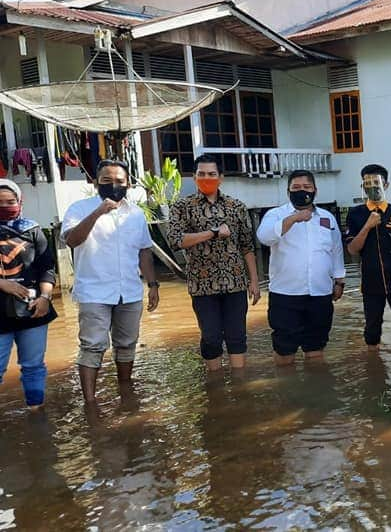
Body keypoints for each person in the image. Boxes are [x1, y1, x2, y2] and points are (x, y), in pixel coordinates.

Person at [61, 159, 159, 404]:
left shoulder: (136, 214)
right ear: (95, 183)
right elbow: (72, 240)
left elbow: (144, 251)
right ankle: (90, 403)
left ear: (128, 184)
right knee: (92, 346)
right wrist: (98, 212)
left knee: (127, 344)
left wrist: (153, 284)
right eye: (107, 181)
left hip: (129, 291)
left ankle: (126, 391)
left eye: (119, 182)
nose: (113, 186)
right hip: (94, 292)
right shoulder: (78, 208)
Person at [168, 154, 260, 372]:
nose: (206, 178)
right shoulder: (183, 207)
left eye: (211, 174)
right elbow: (175, 240)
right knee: (210, 338)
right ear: (194, 176)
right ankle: (215, 386)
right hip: (202, 286)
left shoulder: (236, 206)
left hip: (236, 284)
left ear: (221, 177)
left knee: (237, 336)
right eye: (201, 174)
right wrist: (212, 233)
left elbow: (247, 246)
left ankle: (239, 388)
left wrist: (254, 281)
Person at [257, 170, 345, 365]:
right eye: (296, 188)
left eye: (307, 187)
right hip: (286, 294)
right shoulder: (275, 215)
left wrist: (339, 280)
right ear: (288, 192)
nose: (302, 191)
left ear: (315, 190)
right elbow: (264, 237)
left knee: (316, 348)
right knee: (284, 351)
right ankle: (287, 391)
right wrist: (293, 219)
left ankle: (312, 392)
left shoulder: (327, 218)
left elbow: (336, 250)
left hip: (320, 293)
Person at [345, 164, 391, 353]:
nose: (372, 187)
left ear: (387, 184)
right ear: (363, 187)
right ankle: (374, 367)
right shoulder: (356, 214)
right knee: (372, 328)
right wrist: (368, 226)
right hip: (371, 281)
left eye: (376, 182)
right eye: (367, 183)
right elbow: (352, 249)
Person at [0, 179, 56, 410]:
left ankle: (36, 411)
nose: (6, 206)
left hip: (32, 310)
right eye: (0, 203)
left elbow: (47, 269)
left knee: (33, 366)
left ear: (20, 202)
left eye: (10, 201)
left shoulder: (32, 231)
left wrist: (45, 298)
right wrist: (3, 284)